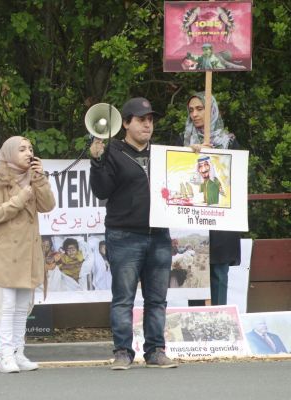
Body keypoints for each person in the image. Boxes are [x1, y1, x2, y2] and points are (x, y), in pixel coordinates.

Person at [89, 97, 177, 369]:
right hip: (124, 235)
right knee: (123, 297)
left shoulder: (163, 154)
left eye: (150, 120)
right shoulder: (112, 151)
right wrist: (97, 161)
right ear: (125, 123)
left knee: (156, 299)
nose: (147, 125)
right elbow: (101, 191)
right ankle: (123, 352)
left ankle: (155, 351)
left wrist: (197, 156)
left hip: (159, 235)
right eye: (141, 120)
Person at [0, 136, 56, 373]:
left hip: (28, 252)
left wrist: (40, 179)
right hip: (4, 253)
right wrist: (21, 197)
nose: (27, 152)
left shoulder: (34, 178)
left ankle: (18, 352)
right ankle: (5, 356)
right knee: (7, 306)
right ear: (10, 152)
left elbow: (48, 206)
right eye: (22, 149)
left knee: (22, 306)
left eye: (30, 149)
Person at [180, 92, 241, 305]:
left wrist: (213, 156)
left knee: (218, 274)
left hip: (221, 219)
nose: (195, 114)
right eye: (191, 110)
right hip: (193, 220)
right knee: (196, 277)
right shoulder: (184, 141)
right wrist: (191, 153)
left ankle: (220, 328)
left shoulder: (229, 141)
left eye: (199, 109)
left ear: (211, 110)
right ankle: (194, 328)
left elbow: (237, 179)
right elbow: (178, 175)